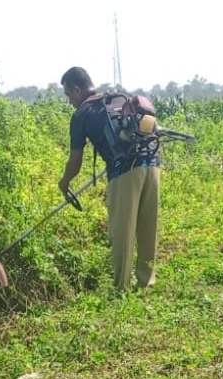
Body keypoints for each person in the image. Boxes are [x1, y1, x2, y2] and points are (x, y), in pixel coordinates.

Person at [59, 66, 162, 292]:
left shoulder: (82, 115)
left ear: (77, 89)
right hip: (153, 163)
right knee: (147, 228)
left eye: (68, 95)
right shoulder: (117, 98)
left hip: (125, 172)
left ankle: (121, 289)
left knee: (122, 232)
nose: (70, 102)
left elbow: (75, 161)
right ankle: (146, 283)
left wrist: (64, 182)